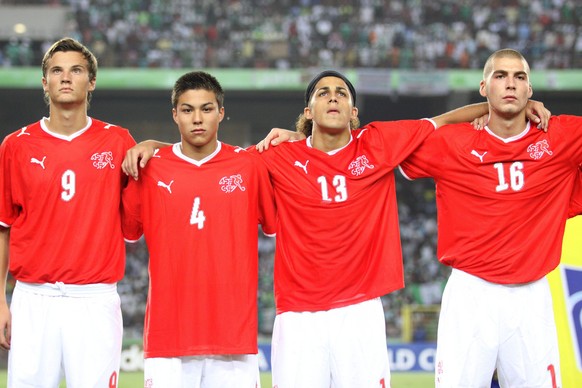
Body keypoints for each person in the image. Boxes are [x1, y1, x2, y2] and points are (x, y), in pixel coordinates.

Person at [123, 70, 548, 388]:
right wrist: (154, 146)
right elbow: (209, 154)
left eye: (341, 93)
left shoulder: (378, 143)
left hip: (359, 311)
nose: (332, 97)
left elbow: (442, 120)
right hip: (299, 316)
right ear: (308, 111)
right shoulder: (274, 157)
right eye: (322, 93)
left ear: (354, 111)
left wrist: (508, 109)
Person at [398, 48, 582, 387]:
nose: (510, 84)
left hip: (532, 295)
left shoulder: (561, 136)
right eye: (500, 76)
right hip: (471, 292)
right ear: (484, 87)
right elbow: (395, 145)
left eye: (519, 77)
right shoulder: (453, 143)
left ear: (530, 91)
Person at [0, 38, 140, 387]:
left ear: (91, 81)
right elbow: (3, 228)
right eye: (56, 70)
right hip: (33, 297)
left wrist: (152, 145)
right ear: (43, 81)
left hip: (94, 298)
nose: (66, 78)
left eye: (76, 70)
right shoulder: (15, 146)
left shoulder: (118, 141)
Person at [123, 71, 276, 387]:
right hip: (169, 338)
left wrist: (296, 135)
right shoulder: (149, 168)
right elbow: (129, 232)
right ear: (175, 114)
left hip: (233, 339)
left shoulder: (248, 166)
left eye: (206, 109)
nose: (197, 118)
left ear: (221, 113)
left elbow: (274, 225)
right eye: (188, 109)